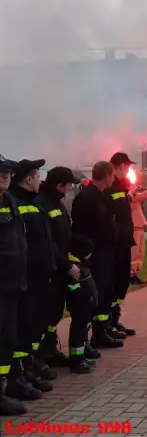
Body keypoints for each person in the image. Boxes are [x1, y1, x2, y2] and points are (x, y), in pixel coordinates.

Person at [8, 159, 57, 396]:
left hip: (39, 277)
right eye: (37, 176)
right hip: (24, 280)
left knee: (33, 326)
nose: (40, 180)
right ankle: (19, 376)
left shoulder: (31, 203)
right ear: (28, 179)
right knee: (22, 328)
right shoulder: (16, 202)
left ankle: (30, 369)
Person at [71, 161, 123, 348]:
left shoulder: (102, 196)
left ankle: (101, 332)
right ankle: (87, 339)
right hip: (95, 255)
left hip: (106, 253)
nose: (114, 179)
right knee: (94, 296)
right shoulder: (87, 197)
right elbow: (81, 228)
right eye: (112, 176)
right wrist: (88, 251)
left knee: (105, 293)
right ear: (108, 175)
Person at [35, 167, 81, 369]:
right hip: (51, 269)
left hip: (61, 266)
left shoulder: (57, 203)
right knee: (46, 313)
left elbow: (64, 235)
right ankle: (41, 356)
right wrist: (66, 264)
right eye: (68, 185)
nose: (70, 188)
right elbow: (49, 242)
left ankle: (50, 351)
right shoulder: (42, 205)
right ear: (59, 186)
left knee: (55, 312)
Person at [0, 155, 30, 414]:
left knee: (7, 338)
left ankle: (3, 389)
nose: (5, 175)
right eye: (0, 172)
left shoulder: (9, 201)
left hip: (12, 285)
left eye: (7, 172)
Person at [106, 152, 137, 338]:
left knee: (122, 283)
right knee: (113, 283)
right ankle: (106, 324)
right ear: (119, 165)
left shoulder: (121, 186)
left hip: (124, 241)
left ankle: (114, 320)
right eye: (127, 166)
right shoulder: (109, 187)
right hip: (115, 244)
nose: (129, 169)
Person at [66, 235, 99, 373]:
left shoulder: (82, 266)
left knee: (82, 328)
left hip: (86, 308)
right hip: (80, 306)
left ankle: (81, 355)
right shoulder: (76, 270)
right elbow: (74, 288)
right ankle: (77, 359)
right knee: (78, 330)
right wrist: (85, 296)